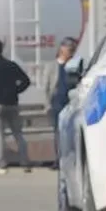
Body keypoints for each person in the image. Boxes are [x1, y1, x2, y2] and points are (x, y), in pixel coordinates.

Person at [0, 37, 32, 174]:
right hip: (12, 103)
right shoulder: (11, 65)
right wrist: (16, 91)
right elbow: (26, 81)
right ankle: (25, 163)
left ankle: (2, 165)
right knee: (18, 134)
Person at [40, 37, 79, 169]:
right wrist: (47, 104)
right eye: (70, 49)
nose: (71, 52)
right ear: (62, 49)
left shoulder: (74, 66)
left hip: (71, 102)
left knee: (72, 132)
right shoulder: (52, 66)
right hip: (56, 102)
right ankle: (59, 159)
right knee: (58, 132)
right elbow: (46, 87)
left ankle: (71, 159)